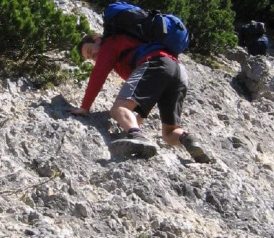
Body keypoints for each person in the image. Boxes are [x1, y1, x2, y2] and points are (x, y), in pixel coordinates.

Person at [68, 32, 210, 162]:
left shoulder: (109, 43)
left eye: (89, 51)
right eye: (88, 58)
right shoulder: (125, 48)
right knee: (169, 133)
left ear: (97, 40)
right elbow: (149, 94)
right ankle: (188, 139)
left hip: (157, 63)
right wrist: (139, 117)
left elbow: (98, 76)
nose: (92, 57)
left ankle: (137, 136)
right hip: (179, 72)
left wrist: (84, 107)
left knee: (118, 109)